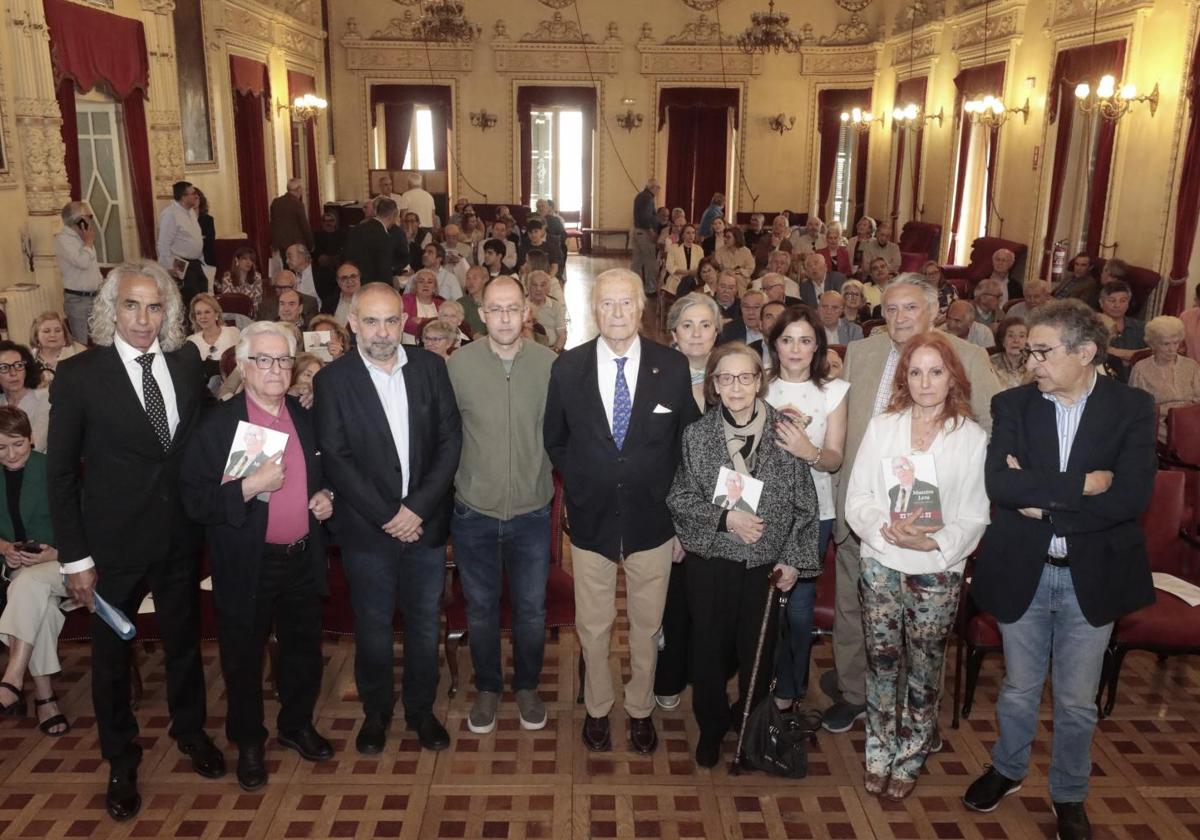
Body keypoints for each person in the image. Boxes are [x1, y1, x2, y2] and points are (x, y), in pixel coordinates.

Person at [963, 300, 1156, 840]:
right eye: (1028, 352)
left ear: (1086, 353)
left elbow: (1131, 497)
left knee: (1075, 701)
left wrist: (1042, 497)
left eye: (1043, 353)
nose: (1031, 364)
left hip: (1090, 575)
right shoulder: (1013, 405)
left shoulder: (1133, 408)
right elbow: (1002, 487)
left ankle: (1069, 794)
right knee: (1020, 688)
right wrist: (1082, 485)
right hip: (1024, 565)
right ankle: (1007, 768)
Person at [47, 261, 221, 821]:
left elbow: (210, 433)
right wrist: (76, 558)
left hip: (178, 537)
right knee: (110, 661)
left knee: (183, 645)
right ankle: (121, 759)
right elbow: (61, 477)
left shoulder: (186, 363)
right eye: (131, 305)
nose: (143, 319)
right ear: (109, 309)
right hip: (110, 548)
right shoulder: (79, 376)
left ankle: (190, 732)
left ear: (168, 311)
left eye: (154, 307)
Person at [825, 276, 998, 735]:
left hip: (932, 523)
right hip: (865, 511)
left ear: (933, 311)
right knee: (852, 608)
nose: (898, 318)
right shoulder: (859, 353)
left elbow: (990, 429)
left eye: (909, 309)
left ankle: (916, 711)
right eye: (891, 309)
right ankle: (854, 694)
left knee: (923, 629)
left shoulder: (969, 357)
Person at [544, 269, 699, 755]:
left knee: (647, 626)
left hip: (654, 523)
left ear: (641, 309)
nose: (616, 313)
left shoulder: (671, 368)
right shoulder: (567, 368)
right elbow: (556, 440)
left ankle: (639, 710)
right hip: (590, 521)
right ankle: (596, 708)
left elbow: (688, 445)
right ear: (595, 310)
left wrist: (683, 522)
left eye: (625, 303)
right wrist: (590, 481)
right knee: (593, 625)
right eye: (606, 304)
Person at [181, 322, 334, 791]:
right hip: (248, 563)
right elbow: (195, 501)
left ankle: (296, 725)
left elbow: (330, 471)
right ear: (243, 367)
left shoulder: (308, 414)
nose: (275, 368)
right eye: (263, 360)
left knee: (303, 650)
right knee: (243, 657)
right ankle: (248, 741)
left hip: (304, 556)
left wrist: (328, 495)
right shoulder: (218, 424)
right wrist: (250, 486)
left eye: (284, 359)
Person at [313, 282, 462, 756]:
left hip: (425, 525)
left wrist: (415, 508)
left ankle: (421, 711)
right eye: (371, 321)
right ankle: (376, 712)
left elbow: (449, 443)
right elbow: (336, 457)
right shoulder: (333, 380)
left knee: (423, 624)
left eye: (391, 320)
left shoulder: (431, 367)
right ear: (353, 322)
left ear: (405, 322)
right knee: (373, 627)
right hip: (366, 531)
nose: (382, 332)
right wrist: (389, 515)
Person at [847, 331, 989, 800]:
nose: (926, 382)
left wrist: (935, 541)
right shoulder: (883, 426)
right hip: (882, 560)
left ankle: (911, 750)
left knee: (926, 663)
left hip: (937, 566)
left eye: (936, 371)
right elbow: (860, 496)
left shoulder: (969, 438)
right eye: (915, 372)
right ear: (904, 378)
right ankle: (879, 747)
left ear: (952, 377)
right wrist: (881, 528)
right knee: (882, 659)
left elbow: (974, 514)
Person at [667, 341, 819, 766]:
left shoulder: (784, 432)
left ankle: (749, 724)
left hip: (764, 566)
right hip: (712, 562)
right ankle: (711, 727)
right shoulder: (697, 436)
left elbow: (805, 504)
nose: (736, 386)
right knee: (708, 650)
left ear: (760, 382)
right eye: (726, 378)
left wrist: (792, 558)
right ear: (714, 384)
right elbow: (679, 498)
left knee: (758, 651)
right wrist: (726, 519)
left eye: (746, 377)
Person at [445, 276, 556, 733]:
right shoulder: (458, 366)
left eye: (514, 308)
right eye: (496, 309)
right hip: (474, 510)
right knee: (481, 607)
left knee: (531, 608)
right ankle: (488, 687)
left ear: (527, 311)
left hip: (532, 510)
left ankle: (526, 685)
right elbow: (442, 434)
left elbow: (565, 435)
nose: (506, 317)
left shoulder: (551, 365)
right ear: (482, 313)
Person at [765, 306, 847, 712]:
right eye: (786, 339)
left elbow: (833, 458)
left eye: (805, 340)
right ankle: (761, 678)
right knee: (762, 602)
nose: (795, 349)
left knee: (798, 606)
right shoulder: (758, 385)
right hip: (761, 510)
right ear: (774, 344)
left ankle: (790, 688)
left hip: (814, 510)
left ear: (817, 346)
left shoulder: (833, 391)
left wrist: (807, 451)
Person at [653, 292, 722, 711]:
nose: (697, 334)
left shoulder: (736, 374)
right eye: (687, 325)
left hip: (721, 509)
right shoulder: (656, 374)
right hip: (669, 506)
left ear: (718, 330)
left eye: (706, 325)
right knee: (672, 599)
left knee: (712, 601)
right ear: (673, 333)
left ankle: (708, 673)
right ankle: (669, 676)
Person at [0, 406, 69, 736]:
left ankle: (13, 676)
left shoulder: (52, 469)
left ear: (31, 439)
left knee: (24, 588)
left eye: (17, 444)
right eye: (0, 447)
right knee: (36, 601)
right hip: (22, 573)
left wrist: (55, 552)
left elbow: (85, 524)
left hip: (66, 563)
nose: (10, 454)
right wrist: (5, 549)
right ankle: (45, 698)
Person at [1129, 315, 1200, 441]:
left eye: (1176, 343)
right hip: (1159, 425)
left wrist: (1185, 415)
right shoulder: (1141, 369)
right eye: (1166, 344)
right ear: (1153, 344)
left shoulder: (1191, 365)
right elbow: (1136, 407)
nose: (1172, 349)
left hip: (1192, 422)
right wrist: (1170, 414)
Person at [54, 200, 103, 343]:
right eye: (88, 216)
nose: (90, 220)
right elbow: (82, 262)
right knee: (81, 344)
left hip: (96, 297)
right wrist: (88, 243)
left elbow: (93, 267)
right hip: (78, 300)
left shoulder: (83, 237)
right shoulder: (63, 239)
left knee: (102, 340)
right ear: (78, 219)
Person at [156, 181, 207, 308]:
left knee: (203, 296)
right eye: (193, 193)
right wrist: (169, 266)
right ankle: (189, 327)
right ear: (184, 197)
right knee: (190, 299)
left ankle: (199, 326)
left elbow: (194, 238)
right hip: (181, 263)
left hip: (195, 263)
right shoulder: (170, 214)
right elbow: (163, 244)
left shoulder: (190, 212)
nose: (196, 196)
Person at [0, 343, 49, 453]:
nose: (13, 373)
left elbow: (36, 446)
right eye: (4, 368)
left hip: (37, 465)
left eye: (19, 365)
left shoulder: (45, 399)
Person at [186, 293, 241, 383]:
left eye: (207, 312)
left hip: (233, 388)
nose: (203, 317)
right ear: (195, 318)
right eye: (198, 313)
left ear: (216, 314)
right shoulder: (191, 341)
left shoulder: (233, 333)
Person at [344, 197, 399, 285]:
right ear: (393, 215)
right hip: (372, 287)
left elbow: (347, 256)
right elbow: (384, 270)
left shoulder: (357, 228)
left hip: (353, 283)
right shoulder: (384, 236)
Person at [29, 312, 87, 387]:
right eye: (46, 331)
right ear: (36, 335)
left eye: (58, 331)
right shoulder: (29, 358)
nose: (53, 335)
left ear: (64, 334)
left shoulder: (79, 352)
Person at [1098, 280, 1146, 364]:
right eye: (1112, 300)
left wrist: (1111, 351)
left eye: (1123, 301)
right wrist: (1130, 355)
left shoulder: (1140, 327)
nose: (1117, 305)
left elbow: (1154, 351)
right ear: (1101, 303)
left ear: (1128, 303)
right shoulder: (1093, 326)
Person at [270, 178, 315, 256]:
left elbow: (272, 223)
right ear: (298, 189)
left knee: (284, 267)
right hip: (295, 245)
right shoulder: (297, 204)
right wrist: (311, 244)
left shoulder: (275, 202)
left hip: (279, 246)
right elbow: (304, 226)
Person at [401, 271, 446, 343]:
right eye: (421, 281)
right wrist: (435, 322)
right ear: (415, 286)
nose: (425, 285)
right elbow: (404, 323)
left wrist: (421, 321)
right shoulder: (406, 300)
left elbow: (447, 325)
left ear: (434, 287)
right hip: (412, 346)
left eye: (430, 282)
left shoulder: (442, 303)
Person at [217, 247, 265, 315]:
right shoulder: (227, 277)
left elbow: (258, 300)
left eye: (251, 260)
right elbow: (226, 299)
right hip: (231, 313)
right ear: (237, 260)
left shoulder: (257, 277)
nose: (249, 262)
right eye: (245, 259)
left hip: (249, 314)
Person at [527, 270, 567, 353]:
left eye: (543, 285)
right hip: (527, 352)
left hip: (552, 350)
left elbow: (562, 335)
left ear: (548, 289)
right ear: (529, 287)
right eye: (534, 285)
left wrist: (555, 351)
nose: (538, 289)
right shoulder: (522, 305)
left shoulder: (555, 306)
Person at [992, 317, 1034, 390]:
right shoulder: (990, 364)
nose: (1016, 340)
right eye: (1010, 336)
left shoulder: (1035, 364)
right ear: (1002, 340)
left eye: (1021, 336)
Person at [664, 225, 705, 295]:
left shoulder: (699, 249)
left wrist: (694, 273)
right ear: (683, 235)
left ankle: (680, 303)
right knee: (687, 280)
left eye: (693, 233)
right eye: (688, 233)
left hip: (694, 280)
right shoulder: (673, 248)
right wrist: (688, 272)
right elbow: (669, 266)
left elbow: (702, 266)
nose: (691, 235)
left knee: (689, 280)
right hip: (677, 279)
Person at [321, 261, 362, 326]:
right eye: (344, 278)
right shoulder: (328, 304)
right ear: (338, 282)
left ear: (359, 277)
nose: (349, 281)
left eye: (353, 276)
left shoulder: (372, 300)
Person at [459, 265, 489, 338]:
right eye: (468, 278)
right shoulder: (460, 304)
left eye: (475, 278)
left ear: (485, 279)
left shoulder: (494, 302)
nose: (470, 282)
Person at [196, 190, 216, 268]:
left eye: (196, 198)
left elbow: (210, 240)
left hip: (206, 258)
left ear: (201, 200)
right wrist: (201, 237)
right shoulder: (182, 219)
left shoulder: (208, 219)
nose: (193, 201)